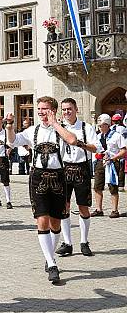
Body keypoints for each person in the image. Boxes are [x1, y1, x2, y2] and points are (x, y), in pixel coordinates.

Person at [5, 97, 78, 284]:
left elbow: (72, 140)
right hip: (38, 177)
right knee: (42, 219)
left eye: (44, 109)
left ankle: (49, 255)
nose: (40, 112)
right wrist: (10, 126)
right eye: (39, 109)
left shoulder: (62, 129)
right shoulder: (32, 131)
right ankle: (52, 264)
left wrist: (55, 124)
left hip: (58, 178)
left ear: (53, 110)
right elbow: (12, 141)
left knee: (55, 223)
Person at [55, 98, 97, 258]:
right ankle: (67, 243)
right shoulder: (59, 128)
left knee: (83, 206)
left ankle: (84, 242)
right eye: (64, 109)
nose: (66, 112)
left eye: (69, 109)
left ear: (76, 109)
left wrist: (80, 144)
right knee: (63, 206)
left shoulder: (86, 127)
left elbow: (95, 148)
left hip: (81, 169)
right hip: (64, 168)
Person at [91, 114, 126, 219]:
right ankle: (98, 209)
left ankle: (115, 210)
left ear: (108, 124)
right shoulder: (98, 136)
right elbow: (95, 148)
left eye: (102, 125)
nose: (100, 127)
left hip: (113, 162)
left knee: (113, 186)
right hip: (100, 162)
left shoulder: (117, 136)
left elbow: (124, 150)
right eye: (99, 125)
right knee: (97, 186)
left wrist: (113, 158)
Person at [111, 113, 126, 191]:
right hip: (121, 149)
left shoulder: (110, 128)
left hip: (113, 151)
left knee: (112, 167)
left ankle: (113, 183)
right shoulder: (123, 129)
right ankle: (120, 185)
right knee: (121, 168)